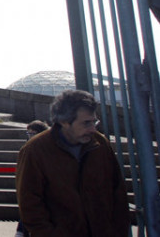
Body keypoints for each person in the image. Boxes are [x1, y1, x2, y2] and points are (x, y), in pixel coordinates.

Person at [16, 89, 129, 237]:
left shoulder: (100, 144)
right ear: (64, 122)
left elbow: (118, 193)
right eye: (86, 123)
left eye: (94, 121)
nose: (93, 129)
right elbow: (29, 203)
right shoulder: (35, 151)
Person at [14, 120, 48, 237]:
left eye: (32, 134)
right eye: (28, 134)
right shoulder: (27, 150)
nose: (29, 137)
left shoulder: (48, 150)